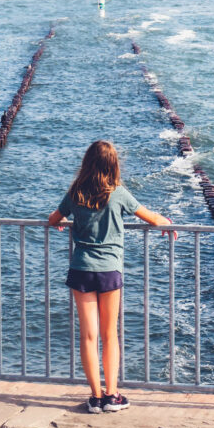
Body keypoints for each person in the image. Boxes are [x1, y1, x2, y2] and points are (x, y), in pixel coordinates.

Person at [48, 140, 176, 413]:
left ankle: (94, 397)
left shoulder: (76, 193)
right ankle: (112, 395)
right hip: (109, 270)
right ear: (113, 164)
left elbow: (53, 218)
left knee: (88, 336)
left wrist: (60, 222)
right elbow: (150, 218)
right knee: (110, 335)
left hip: (81, 268)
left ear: (87, 162)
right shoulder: (118, 193)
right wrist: (165, 222)